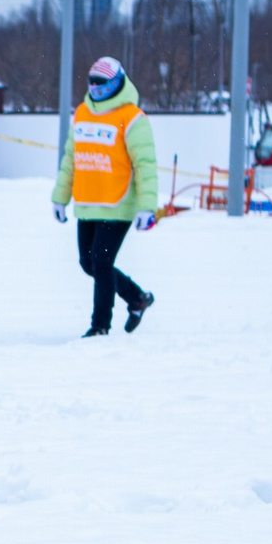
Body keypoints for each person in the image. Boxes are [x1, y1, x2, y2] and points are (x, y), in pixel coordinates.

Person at [51, 56, 158, 338]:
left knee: (100, 261)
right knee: (89, 263)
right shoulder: (82, 114)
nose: (96, 89)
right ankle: (137, 298)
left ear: (117, 83)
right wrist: (60, 197)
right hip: (87, 201)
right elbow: (70, 159)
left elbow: (145, 165)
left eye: (103, 84)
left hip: (118, 203)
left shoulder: (132, 118)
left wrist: (147, 207)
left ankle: (100, 326)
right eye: (92, 84)